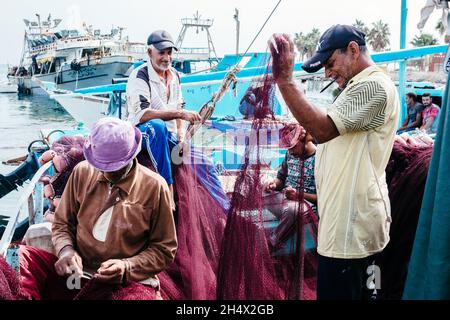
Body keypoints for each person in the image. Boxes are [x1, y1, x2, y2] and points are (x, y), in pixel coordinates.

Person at [269, 24, 400, 300]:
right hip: (354, 233)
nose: (327, 73)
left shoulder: (372, 86)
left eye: (330, 63)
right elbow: (335, 141)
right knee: (369, 293)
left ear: (353, 50)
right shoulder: (358, 88)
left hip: (351, 238)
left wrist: (285, 80)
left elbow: (323, 129)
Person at [18, 118, 177, 300]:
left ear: (132, 155)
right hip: (78, 273)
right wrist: (66, 250)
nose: (107, 172)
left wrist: (126, 266)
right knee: (22, 260)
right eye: (101, 166)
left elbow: (164, 249)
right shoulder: (82, 172)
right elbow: (62, 224)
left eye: (114, 167)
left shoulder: (155, 186)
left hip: (128, 282)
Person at [125, 30, 201, 206]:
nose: (166, 57)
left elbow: (179, 106)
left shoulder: (174, 75)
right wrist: (180, 114)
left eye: (169, 52)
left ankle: (224, 207)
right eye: (161, 52)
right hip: (140, 133)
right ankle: (167, 189)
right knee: (157, 127)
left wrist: (181, 135)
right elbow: (142, 114)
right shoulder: (139, 75)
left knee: (201, 161)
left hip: (169, 136)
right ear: (149, 52)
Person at [264, 126, 317, 250]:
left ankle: (272, 244)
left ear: (305, 141)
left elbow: (323, 198)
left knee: (292, 210)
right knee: (261, 190)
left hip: (306, 205)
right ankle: (287, 220)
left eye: (293, 147)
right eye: (289, 148)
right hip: (286, 200)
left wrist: (299, 195)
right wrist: (273, 184)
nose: (291, 151)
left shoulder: (320, 158)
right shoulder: (290, 154)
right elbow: (281, 179)